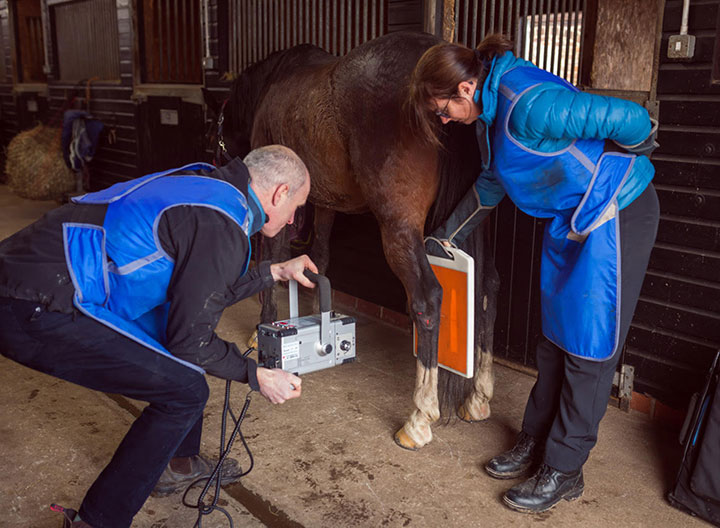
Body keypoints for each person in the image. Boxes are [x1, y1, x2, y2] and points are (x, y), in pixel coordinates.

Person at [0, 145, 317, 528]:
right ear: (280, 193)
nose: (291, 221)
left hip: (30, 273)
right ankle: (97, 522)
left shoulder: (209, 188)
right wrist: (257, 375)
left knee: (182, 362)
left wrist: (274, 272)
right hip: (33, 301)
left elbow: (203, 290)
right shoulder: (223, 226)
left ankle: (179, 463)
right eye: (296, 209)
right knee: (187, 390)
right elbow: (191, 341)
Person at [408, 35, 660, 514]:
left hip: (616, 211)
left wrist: (641, 144)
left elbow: (627, 118)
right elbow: (491, 184)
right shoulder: (487, 116)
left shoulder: (529, 105)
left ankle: (564, 469)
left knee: (588, 346)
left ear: (464, 88)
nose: (442, 120)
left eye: (441, 109)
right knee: (554, 340)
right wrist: (446, 236)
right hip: (574, 219)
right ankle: (536, 442)